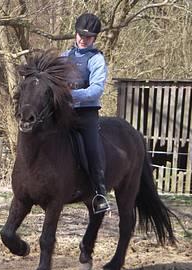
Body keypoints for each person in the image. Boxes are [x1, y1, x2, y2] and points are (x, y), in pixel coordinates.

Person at [62, 13, 110, 213]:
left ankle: (99, 193)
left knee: (92, 148)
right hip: (64, 113)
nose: (83, 39)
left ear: (94, 38)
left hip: (86, 114)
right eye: (81, 35)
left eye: (88, 37)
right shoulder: (63, 56)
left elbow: (97, 89)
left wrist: (72, 95)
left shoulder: (96, 59)